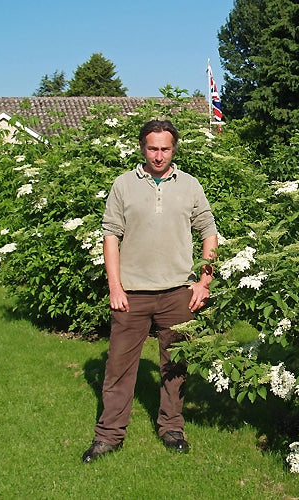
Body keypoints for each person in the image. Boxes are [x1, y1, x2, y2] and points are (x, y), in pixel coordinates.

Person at [82, 119, 218, 463]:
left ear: (175, 149)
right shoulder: (123, 185)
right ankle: (109, 435)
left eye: (165, 148)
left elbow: (209, 232)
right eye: (153, 148)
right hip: (132, 293)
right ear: (142, 148)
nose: (159, 155)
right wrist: (115, 286)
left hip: (178, 292)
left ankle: (171, 426)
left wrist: (204, 281)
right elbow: (111, 235)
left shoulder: (189, 185)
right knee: (118, 367)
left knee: (175, 365)